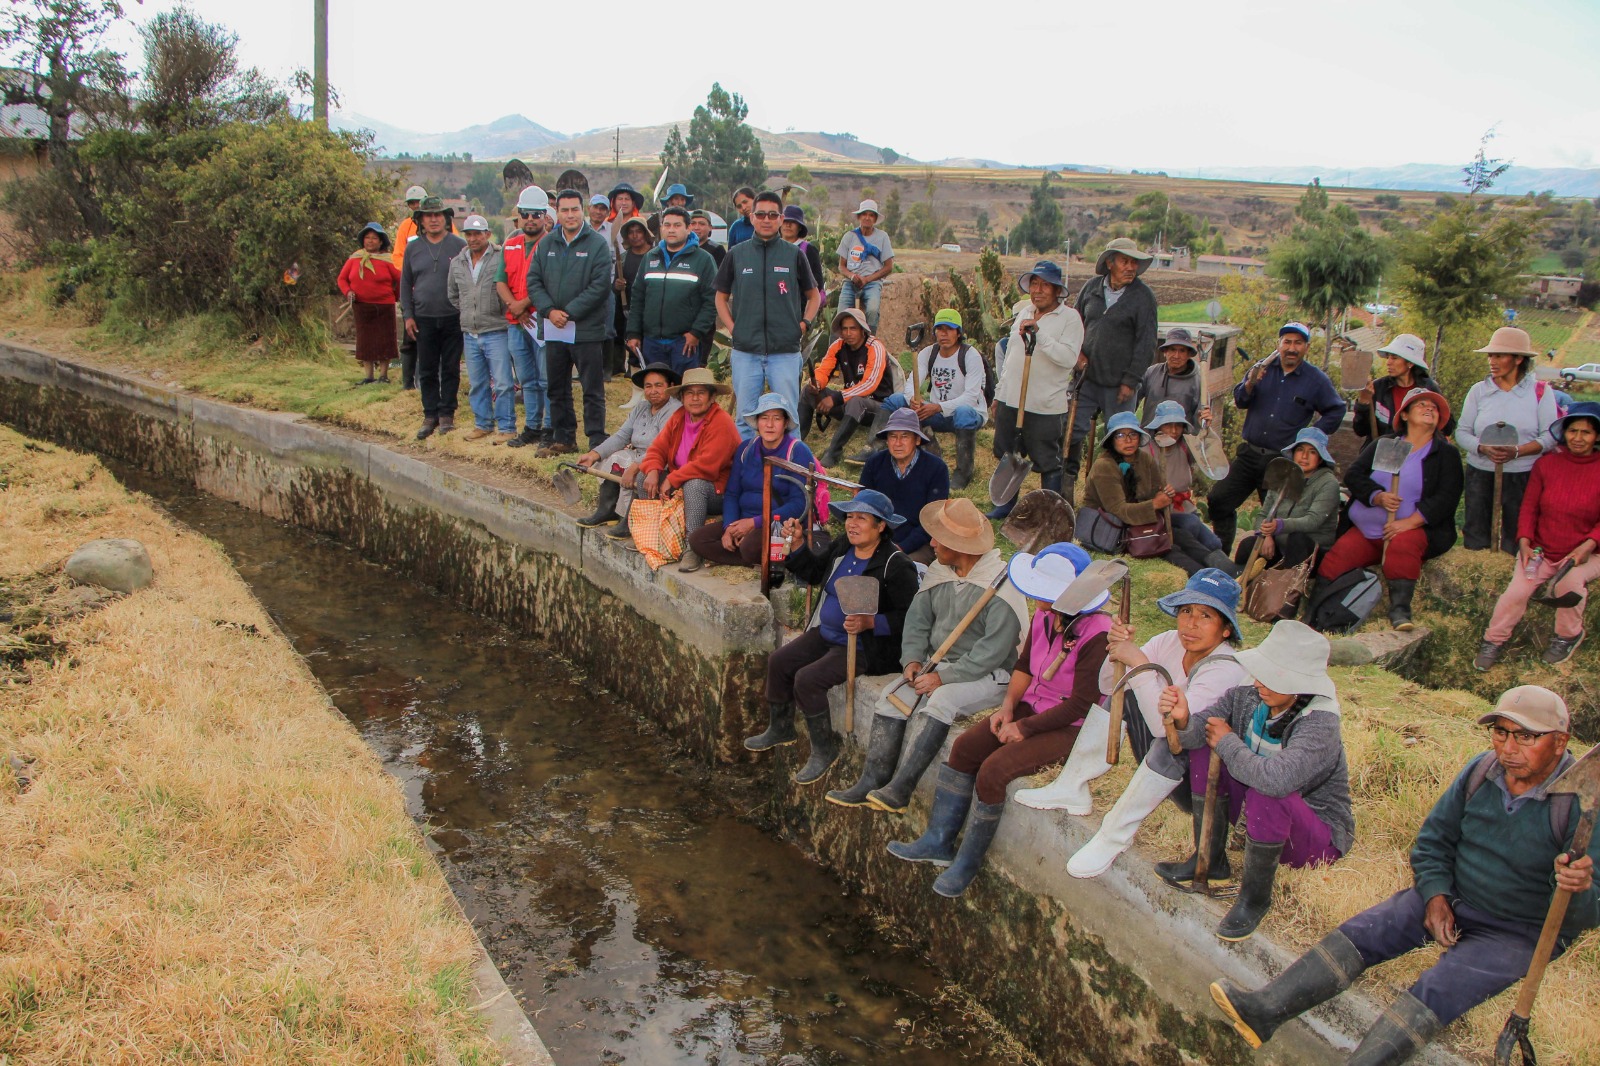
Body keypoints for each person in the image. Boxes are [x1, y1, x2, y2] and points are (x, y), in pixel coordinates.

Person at [1209, 685, 1595, 1065]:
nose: (1508, 748)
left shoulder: (1581, 806)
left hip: (1517, 930)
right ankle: (1264, 1011)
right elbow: (1433, 841)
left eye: (1526, 737)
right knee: (1365, 931)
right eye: (1500, 732)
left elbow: (1585, 915)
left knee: (1440, 986)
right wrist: (1435, 894)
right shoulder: (1481, 771)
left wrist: (1576, 888)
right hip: (1455, 895)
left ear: (1560, 743)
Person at [883, 545, 1107, 898]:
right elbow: (1024, 667)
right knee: (965, 747)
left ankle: (968, 862)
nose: (1039, 600)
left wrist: (1025, 727)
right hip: (1030, 706)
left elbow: (1081, 704)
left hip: (1069, 726)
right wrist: (1007, 707)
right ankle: (937, 841)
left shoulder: (1098, 632)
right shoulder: (1046, 616)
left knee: (994, 770)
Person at [1017, 569, 1247, 879]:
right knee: (1121, 694)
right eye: (1186, 611)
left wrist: (1139, 663)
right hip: (1165, 770)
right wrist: (1116, 654)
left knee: (1168, 736)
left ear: (1225, 630)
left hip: (1207, 789)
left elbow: (1165, 732)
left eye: (1205, 616)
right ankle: (1072, 786)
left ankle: (1114, 835)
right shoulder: (1169, 642)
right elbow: (1108, 685)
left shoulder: (1225, 668)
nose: (1191, 624)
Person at [1157, 620, 1353, 941]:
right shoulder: (1247, 696)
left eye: (1274, 677)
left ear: (1300, 683)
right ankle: (1209, 859)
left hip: (1314, 839)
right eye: (1262, 672)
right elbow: (1198, 734)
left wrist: (1228, 742)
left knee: (1268, 784)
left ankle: (1254, 897)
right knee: (1207, 751)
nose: (1261, 682)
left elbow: (1276, 781)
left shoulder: (1319, 722)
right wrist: (1183, 718)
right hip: (1256, 817)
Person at [836, 498, 1026, 816]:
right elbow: (917, 621)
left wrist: (942, 678)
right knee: (889, 697)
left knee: (943, 700)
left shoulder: (1002, 587)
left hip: (988, 675)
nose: (932, 543)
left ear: (960, 546)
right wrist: (911, 660)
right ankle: (872, 780)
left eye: (940, 539)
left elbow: (991, 653)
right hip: (937, 664)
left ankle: (902, 788)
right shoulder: (940, 571)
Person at [752, 489, 920, 784]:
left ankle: (824, 749)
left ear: (881, 526)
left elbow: (911, 617)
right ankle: (781, 728)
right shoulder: (844, 546)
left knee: (808, 679)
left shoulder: (897, 565)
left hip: (865, 647)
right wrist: (799, 547)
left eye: (862, 519)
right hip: (828, 633)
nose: (852, 524)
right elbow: (816, 573)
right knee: (780, 661)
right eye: (850, 517)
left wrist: (872, 622)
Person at [1318, 388, 1462, 630]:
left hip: (1410, 529)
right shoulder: (1384, 445)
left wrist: (1409, 522)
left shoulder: (1446, 454)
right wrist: (1377, 496)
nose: (1429, 409)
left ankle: (1399, 610)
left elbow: (1447, 496)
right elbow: (1354, 475)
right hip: (1367, 528)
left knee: (1402, 545)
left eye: (1434, 407)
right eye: (1421, 405)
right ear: (1404, 415)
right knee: (1338, 557)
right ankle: (1317, 611)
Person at [1476, 401, 1600, 669]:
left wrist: (1589, 544)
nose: (1578, 438)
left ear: (1597, 436)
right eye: (1573, 431)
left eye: (1586, 432)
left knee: (1568, 585)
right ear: (1564, 433)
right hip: (1542, 551)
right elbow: (1530, 506)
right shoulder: (1547, 465)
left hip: (1585, 553)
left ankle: (1567, 636)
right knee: (1516, 592)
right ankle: (1493, 641)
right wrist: (1524, 541)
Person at [1208, 322, 1345, 551]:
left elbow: (1336, 409)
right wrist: (1251, 383)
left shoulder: (1315, 380)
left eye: (1298, 343)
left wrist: (1311, 438)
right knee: (1219, 500)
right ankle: (1222, 554)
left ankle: (1271, 567)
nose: (1292, 348)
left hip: (1281, 462)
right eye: (1287, 342)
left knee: (1275, 515)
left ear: (1306, 347)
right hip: (1250, 454)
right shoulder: (1262, 369)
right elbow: (1241, 400)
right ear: (1278, 344)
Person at [714, 190, 822, 439]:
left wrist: (804, 323)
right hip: (746, 350)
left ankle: (788, 474)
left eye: (772, 215)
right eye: (760, 214)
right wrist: (733, 327)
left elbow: (814, 296)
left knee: (789, 418)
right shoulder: (736, 255)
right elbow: (720, 297)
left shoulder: (794, 255)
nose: (766, 219)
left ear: (781, 219)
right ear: (752, 217)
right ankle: (749, 471)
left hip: (784, 351)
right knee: (744, 417)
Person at [988, 260, 1084, 520]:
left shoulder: (1070, 319)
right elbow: (1010, 358)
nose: (1038, 290)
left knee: (1047, 461)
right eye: (1034, 284)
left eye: (1044, 285)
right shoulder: (1024, 312)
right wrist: (999, 393)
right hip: (1012, 399)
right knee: (1009, 454)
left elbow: (1067, 358)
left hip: (1044, 405)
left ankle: (1047, 513)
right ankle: (1006, 505)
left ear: (1056, 290)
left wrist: (1040, 336)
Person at [1063, 238, 1159, 495]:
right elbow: (1074, 324)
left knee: (1122, 439)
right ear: (1110, 262)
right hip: (1086, 378)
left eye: (1134, 263)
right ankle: (1066, 484)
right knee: (1071, 431)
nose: (1131, 267)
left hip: (1120, 384)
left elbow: (1146, 343)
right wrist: (1078, 355)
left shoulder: (1143, 297)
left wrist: (1131, 380)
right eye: (1125, 261)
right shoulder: (1091, 288)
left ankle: (1120, 491)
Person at [525, 189, 614, 457]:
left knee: (592, 389)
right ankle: (564, 437)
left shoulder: (597, 244)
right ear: (557, 213)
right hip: (554, 331)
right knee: (557, 387)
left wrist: (570, 312)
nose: (570, 215)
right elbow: (533, 281)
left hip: (586, 331)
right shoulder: (547, 244)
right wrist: (550, 311)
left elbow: (600, 285)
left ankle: (596, 439)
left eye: (574, 209)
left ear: (582, 210)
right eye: (564, 210)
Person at [1456, 326, 1559, 553]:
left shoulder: (1540, 392)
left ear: (1519, 359)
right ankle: (1476, 580)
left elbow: (1550, 436)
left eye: (1499, 355)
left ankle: (1514, 578)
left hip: (1522, 475)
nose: (1491, 361)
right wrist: (1482, 448)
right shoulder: (1478, 391)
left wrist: (1518, 452)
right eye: (1490, 355)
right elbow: (1462, 432)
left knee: (1517, 533)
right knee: (1476, 532)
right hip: (1480, 472)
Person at [686, 393, 817, 571]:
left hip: (778, 523)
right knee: (697, 540)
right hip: (743, 519)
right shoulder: (746, 449)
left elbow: (799, 503)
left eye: (776, 418)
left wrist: (754, 523)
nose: (769, 425)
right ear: (757, 421)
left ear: (785, 423)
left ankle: (760, 556)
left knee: (749, 547)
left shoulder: (797, 451)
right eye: (764, 418)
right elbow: (732, 493)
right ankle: (762, 558)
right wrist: (729, 527)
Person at [1083, 412, 1222, 576]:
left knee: (1184, 535)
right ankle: (1204, 576)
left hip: (1139, 521)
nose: (1128, 440)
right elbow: (1118, 510)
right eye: (1121, 435)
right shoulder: (1104, 466)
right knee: (1166, 547)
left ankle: (1223, 569)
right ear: (1112, 440)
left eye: (1133, 434)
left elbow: (1156, 491)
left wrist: (1165, 494)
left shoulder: (1144, 459)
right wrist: (1155, 504)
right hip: (1113, 528)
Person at [637, 368, 740, 572]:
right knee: (644, 478)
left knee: (695, 485)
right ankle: (656, 537)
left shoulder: (722, 422)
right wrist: (652, 469)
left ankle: (693, 547)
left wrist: (673, 478)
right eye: (689, 393)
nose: (695, 398)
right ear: (682, 397)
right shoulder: (679, 417)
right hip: (682, 481)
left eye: (701, 393)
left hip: (717, 490)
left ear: (711, 397)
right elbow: (657, 448)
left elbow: (707, 466)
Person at [881, 308, 986, 489]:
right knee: (896, 400)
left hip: (967, 415)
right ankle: (873, 449)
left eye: (949, 329)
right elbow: (911, 383)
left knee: (963, 412)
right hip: (936, 412)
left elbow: (970, 397)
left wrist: (937, 407)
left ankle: (963, 473)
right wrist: (913, 399)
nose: (943, 334)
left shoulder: (970, 355)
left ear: (958, 332)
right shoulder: (928, 353)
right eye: (939, 328)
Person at [574, 361, 682, 534]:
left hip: (661, 460)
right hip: (637, 454)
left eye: (658, 385)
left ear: (670, 386)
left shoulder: (675, 410)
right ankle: (607, 510)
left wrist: (634, 467)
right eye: (648, 386)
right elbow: (621, 436)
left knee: (641, 473)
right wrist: (594, 455)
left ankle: (631, 519)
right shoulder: (642, 407)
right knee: (614, 457)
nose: (652, 391)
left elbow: (661, 447)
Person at [399, 196, 467, 440]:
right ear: (421, 220)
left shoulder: (459, 245)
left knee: (450, 367)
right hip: (423, 317)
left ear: (446, 219)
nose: (434, 219)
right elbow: (406, 284)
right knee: (426, 369)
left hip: (453, 316)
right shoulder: (413, 248)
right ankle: (430, 414)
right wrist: (408, 315)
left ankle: (447, 413)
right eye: (429, 215)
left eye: (439, 215)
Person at [1232, 427, 1341, 578]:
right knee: (1247, 546)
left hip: (1311, 551)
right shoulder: (1283, 475)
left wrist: (1279, 526)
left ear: (1320, 458)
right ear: (1293, 453)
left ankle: (1287, 596)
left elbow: (1313, 521)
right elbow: (1264, 514)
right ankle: (1237, 589)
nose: (1304, 456)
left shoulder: (1328, 483)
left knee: (1297, 539)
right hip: (1280, 546)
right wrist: (1266, 536)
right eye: (1300, 450)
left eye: (1312, 452)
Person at [1142, 401, 1236, 575]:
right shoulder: (1147, 450)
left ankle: (1230, 572)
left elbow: (1210, 456)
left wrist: (1206, 428)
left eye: (1178, 425)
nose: (1174, 430)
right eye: (1168, 425)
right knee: (1190, 527)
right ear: (1158, 425)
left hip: (1184, 507)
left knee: (1213, 542)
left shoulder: (1186, 446)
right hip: (1161, 512)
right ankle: (1212, 571)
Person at [625, 206, 718, 379]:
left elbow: (712, 301)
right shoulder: (650, 257)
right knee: (658, 393)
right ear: (661, 228)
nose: (671, 230)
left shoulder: (703, 260)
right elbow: (638, 298)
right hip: (652, 342)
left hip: (684, 343)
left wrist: (696, 333)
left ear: (688, 228)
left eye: (677, 225)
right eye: (667, 225)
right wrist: (633, 333)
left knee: (684, 392)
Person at [446, 215, 513, 441]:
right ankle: (483, 423)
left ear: (487, 234)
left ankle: (506, 427)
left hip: (496, 329)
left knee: (503, 382)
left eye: (477, 233)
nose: (473, 238)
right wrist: (468, 310)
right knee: (477, 383)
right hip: (470, 331)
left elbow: (508, 288)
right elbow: (453, 294)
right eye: (469, 234)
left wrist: (495, 310)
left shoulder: (499, 256)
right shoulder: (458, 261)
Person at [498, 186, 552, 449]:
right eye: (525, 214)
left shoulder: (552, 244)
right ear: (518, 215)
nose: (530, 219)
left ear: (545, 216)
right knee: (527, 380)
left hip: (541, 322)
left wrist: (523, 305)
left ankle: (549, 428)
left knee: (546, 379)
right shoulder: (509, 245)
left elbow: (548, 282)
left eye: (536, 214)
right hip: (516, 324)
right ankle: (532, 426)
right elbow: (500, 281)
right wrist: (514, 307)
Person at [859, 408, 950, 564]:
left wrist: (901, 547)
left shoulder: (936, 469)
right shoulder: (874, 463)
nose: (898, 443)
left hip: (918, 543)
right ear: (887, 440)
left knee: (900, 569)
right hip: (878, 537)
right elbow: (864, 507)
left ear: (917, 440)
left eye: (905, 437)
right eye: (893, 437)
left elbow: (932, 520)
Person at [803, 308, 893, 466]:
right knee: (807, 391)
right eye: (844, 329)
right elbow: (824, 370)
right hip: (849, 403)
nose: (848, 333)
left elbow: (870, 384)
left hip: (877, 407)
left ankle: (833, 452)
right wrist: (816, 383)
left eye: (853, 328)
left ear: (862, 329)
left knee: (856, 401)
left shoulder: (875, 347)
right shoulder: (837, 346)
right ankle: (796, 441)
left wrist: (836, 398)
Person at [1351, 334, 1455, 440]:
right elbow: (1360, 430)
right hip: (1383, 453)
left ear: (1410, 363)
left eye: (1394, 358)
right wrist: (1363, 403)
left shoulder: (1429, 389)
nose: (1388, 363)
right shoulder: (1378, 387)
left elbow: (1448, 427)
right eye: (1388, 357)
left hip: (1418, 453)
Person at [337, 222, 401, 385]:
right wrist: (348, 292)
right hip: (362, 306)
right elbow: (342, 279)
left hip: (384, 307)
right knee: (365, 341)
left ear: (381, 242)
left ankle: (383, 376)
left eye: (374, 238)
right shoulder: (354, 258)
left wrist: (395, 296)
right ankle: (369, 376)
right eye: (367, 238)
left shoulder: (388, 260)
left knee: (385, 340)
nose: (370, 241)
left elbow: (400, 279)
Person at [836, 199, 894, 333]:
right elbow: (841, 266)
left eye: (871, 215)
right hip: (850, 283)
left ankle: (869, 341)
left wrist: (867, 279)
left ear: (875, 219)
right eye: (864, 214)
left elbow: (889, 266)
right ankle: (836, 347)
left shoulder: (882, 237)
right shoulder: (849, 237)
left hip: (872, 283)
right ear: (859, 217)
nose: (867, 218)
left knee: (873, 310)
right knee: (841, 314)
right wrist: (852, 276)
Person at [1137, 326, 1208, 429]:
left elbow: (1199, 422)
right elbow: (1132, 399)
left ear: (1189, 354)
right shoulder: (1151, 373)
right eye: (1172, 349)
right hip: (1150, 440)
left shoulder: (1198, 383)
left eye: (1182, 351)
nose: (1176, 355)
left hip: (1179, 441)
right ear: (1165, 352)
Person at [611, 217, 653, 377]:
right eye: (631, 232)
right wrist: (617, 286)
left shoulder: (655, 255)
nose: (635, 236)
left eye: (638, 231)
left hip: (650, 307)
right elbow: (615, 286)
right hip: (628, 308)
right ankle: (632, 367)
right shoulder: (623, 259)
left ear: (645, 233)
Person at [781, 206, 826, 302]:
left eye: (793, 222)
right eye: (785, 221)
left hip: (801, 306)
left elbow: (817, 282)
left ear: (800, 227)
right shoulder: (773, 248)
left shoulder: (809, 250)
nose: (788, 225)